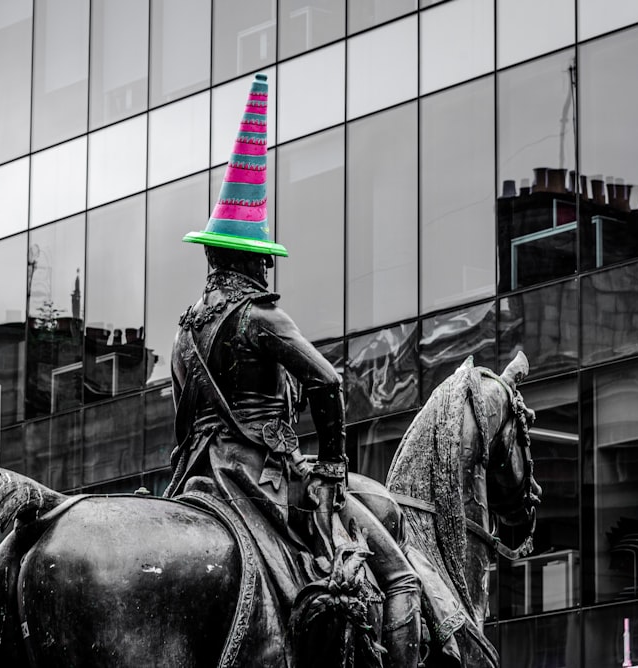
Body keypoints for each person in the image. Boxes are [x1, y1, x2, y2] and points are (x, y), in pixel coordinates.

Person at [165, 73, 420, 668]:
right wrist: (332, 463)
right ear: (253, 256)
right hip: (263, 478)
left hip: (198, 477)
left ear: (210, 255)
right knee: (401, 578)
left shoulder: (184, 330)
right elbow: (326, 382)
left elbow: (183, 422)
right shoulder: (259, 317)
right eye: (261, 256)